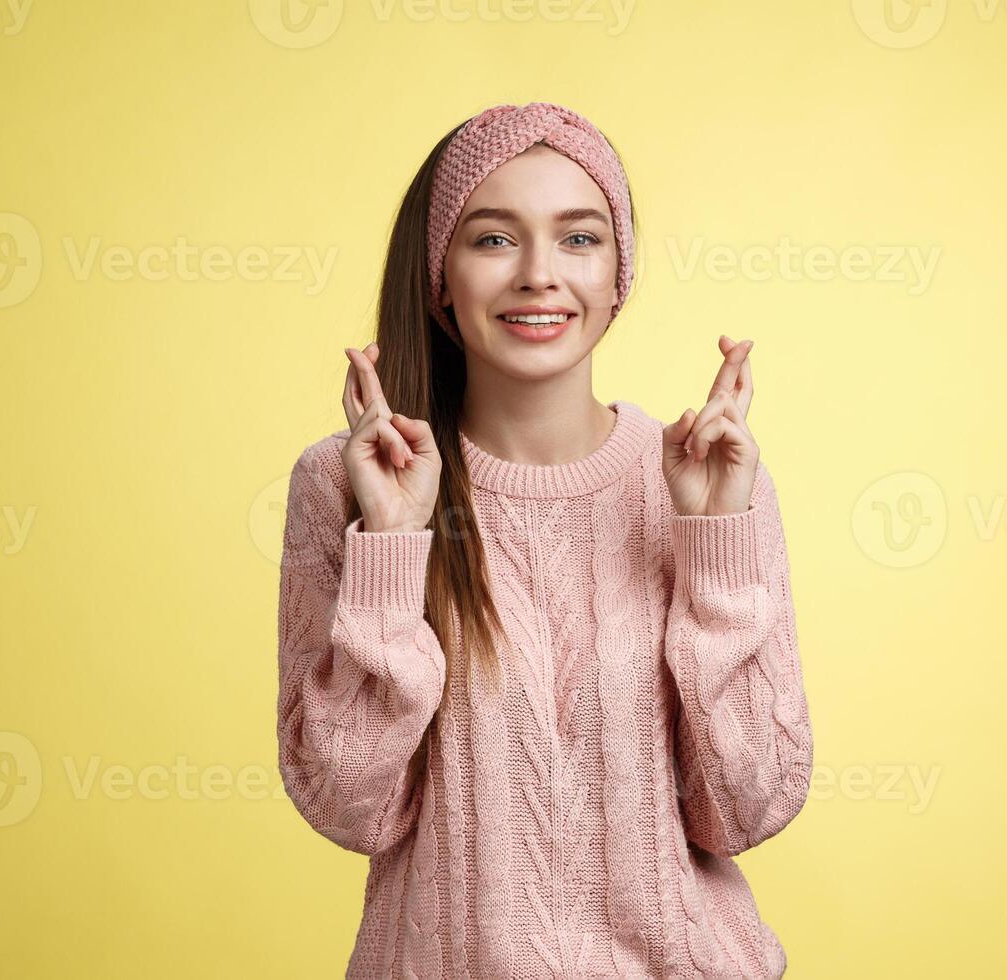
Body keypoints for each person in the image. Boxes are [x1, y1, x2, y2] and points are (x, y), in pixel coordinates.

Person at [273, 102, 813, 977]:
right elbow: (346, 806)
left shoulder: (710, 481)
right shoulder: (343, 485)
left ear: (617, 276)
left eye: (578, 238)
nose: (537, 275)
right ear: (440, 275)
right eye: (492, 240)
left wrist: (714, 546)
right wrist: (391, 545)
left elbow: (748, 811)